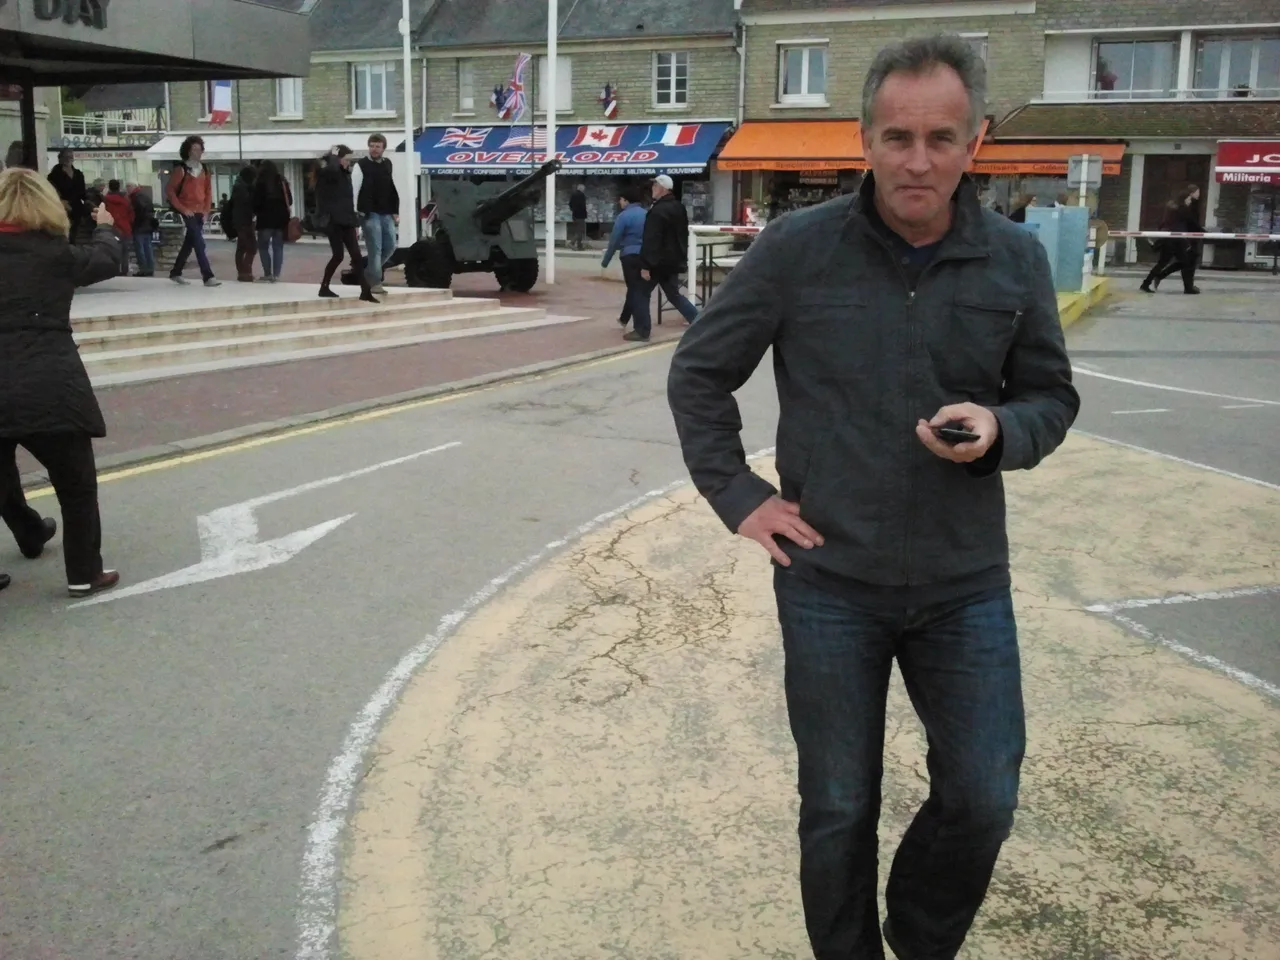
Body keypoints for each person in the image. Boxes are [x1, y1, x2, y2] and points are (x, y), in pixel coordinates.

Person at [667, 35, 1079, 960]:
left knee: (984, 794)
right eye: (897, 137)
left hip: (964, 581)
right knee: (837, 805)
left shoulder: (1015, 260)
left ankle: (920, 938)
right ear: (865, 139)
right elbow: (699, 372)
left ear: (974, 142)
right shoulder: (796, 250)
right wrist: (740, 495)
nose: (918, 161)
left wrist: (1001, 427)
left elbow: (1051, 398)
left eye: (940, 138)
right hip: (829, 581)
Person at [0, 168, 124, 599]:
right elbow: (106, 259)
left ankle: (30, 533)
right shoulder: (55, 254)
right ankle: (84, 573)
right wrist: (105, 227)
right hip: (50, 382)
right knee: (76, 486)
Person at [315, 145, 377, 303]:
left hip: (347, 220)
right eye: (346, 159)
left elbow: (347, 200)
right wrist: (334, 157)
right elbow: (331, 172)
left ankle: (365, 290)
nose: (349, 163)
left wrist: (354, 219)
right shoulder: (328, 173)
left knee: (356, 256)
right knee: (338, 255)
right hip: (334, 221)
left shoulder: (344, 175)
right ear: (338, 159)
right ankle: (324, 286)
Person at [639, 174, 698, 325]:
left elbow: (652, 239)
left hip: (658, 262)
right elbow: (682, 235)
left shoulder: (658, 211)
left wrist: (645, 265)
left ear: (663, 189)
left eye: (655, 186)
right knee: (673, 295)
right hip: (673, 260)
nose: (653, 188)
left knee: (641, 294)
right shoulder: (679, 207)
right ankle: (698, 321)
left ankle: (642, 330)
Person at [166, 135, 221, 287]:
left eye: (199, 149)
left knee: (190, 242)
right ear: (188, 151)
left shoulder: (205, 170)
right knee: (198, 242)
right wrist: (182, 209)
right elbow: (170, 191)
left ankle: (176, 272)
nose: (198, 152)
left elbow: (208, 192)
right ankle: (208, 276)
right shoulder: (181, 170)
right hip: (187, 210)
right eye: (194, 149)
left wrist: (206, 211)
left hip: (199, 211)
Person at [601, 187, 650, 341]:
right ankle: (624, 318)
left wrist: (606, 260)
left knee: (635, 291)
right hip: (645, 256)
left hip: (629, 255)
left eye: (621, 200)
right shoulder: (647, 214)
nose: (620, 203)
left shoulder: (623, 216)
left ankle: (641, 328)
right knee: (638, 289)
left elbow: (614, 239)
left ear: (626, 200)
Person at [354, 133, 400, 295]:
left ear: (383, 148)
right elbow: (354, 189)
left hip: (386, 212)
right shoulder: (361, 165)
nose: (374, 149)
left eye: (377, 146)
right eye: (372, 146)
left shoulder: (387, 164)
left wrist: (395, 210)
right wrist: (356, 213)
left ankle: (368, 273)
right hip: (369, 212)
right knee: (375, 248)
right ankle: (374, 283)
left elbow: (391, 187)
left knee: (391, 246)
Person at [1140, 184, 1204, 295]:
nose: (1190, 201)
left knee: (1168, 263)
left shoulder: (1175, 209)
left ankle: (1148, 282)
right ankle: (1150, 281)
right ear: (1184, 199)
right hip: (1174, 241)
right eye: (1189, 199)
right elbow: (1187, 224)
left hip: (1172, 240)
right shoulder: (1182, 210)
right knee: (1177, 262)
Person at [253, 159, 293, 282]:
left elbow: (256, 202)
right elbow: (290, 200)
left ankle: (267, 273)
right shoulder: (282, 181)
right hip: (280, 220)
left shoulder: (260, 182)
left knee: (263, 247)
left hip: (264, 219)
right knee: (278, 247)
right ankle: (276, 275)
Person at [47, 149, 88, 243]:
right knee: (63, 232)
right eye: (65, 157)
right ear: (60, 159)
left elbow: (82, 192)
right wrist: (63, 202)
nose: (68, 159)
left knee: (75, 233)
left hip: (76, 207)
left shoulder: (78, 174)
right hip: (61, 207)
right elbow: (52, 192)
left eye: (70, 157)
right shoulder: (53, 175)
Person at [230, 165, 258, 282]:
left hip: (242, 220)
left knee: (242, 247)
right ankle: (245, 272)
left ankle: (243, 272)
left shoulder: (240, 185)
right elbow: (247, 203)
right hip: (243, 221)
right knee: (251, 247)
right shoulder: (242, 188)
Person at [101, 179, 135, 276]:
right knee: (125, 251)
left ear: (109, 187)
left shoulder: (105, 200)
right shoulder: (126, 200)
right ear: (119, 187)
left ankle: (113, 269)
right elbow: (131, 215)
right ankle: (124, 269)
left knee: (111, 250)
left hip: (111, 228)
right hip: (125, 228)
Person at [127, 183, 157, 277]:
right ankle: (150, 269)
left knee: (140, 249)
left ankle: (143, 269)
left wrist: (134, 222)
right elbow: (151, 210)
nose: (127, 189)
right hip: (148, 226)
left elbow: (137, 212)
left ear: (134, 187)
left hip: (139, 226)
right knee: (148, 248)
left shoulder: (135, 198)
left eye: (128, 186)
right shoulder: (145, 196)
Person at [568, 183, 588, 250]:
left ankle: (579, 246)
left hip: (575, 215)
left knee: (578, 230)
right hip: (580, 216)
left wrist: (573, 210)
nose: (584, 190)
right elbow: (583, 206)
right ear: (582, 189)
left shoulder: (573, 195)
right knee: (580, 231)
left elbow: (570, 204)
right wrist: (585, 214)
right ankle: (572, 243)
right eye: (584, 189)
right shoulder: (582, 195)